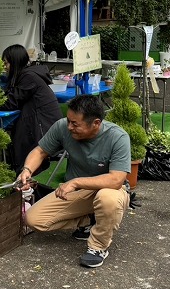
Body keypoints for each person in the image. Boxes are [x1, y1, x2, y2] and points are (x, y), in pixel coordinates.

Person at [17, 95, 131, 268]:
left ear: (96, 123)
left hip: (109, 189)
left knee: (108, 199)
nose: (69, 127)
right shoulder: (63, 126)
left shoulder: (118, 137)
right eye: (69, 121)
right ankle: (88, 221)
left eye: (75, 124)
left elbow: (116, 179)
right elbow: (40, 151)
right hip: (77, 192)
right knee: (34, 219)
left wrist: (76, 182)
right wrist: (27, 170)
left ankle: (98, 246)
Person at [0, 44, 62, 173]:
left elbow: (11, 102)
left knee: (22, 148)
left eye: (6, 63)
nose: (5, 67)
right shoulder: (27, 75)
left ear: (15, 62)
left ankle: (24, 178)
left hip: (43, 126)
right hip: (40, 122)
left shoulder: (28, 77)